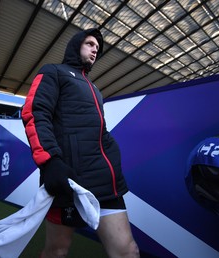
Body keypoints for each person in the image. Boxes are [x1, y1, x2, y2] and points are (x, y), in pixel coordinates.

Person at [22, 28, 140, 258]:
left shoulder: (95, 89)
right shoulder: (53, 72)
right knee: (57, 252)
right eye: (90, 43)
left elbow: (100, 131)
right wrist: (50, 161)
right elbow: (34, 113)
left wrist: (113, 158)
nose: (95, 49)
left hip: (106, 184)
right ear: (76, 45)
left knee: (128, 251)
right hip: (70, 182)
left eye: (98, 47)